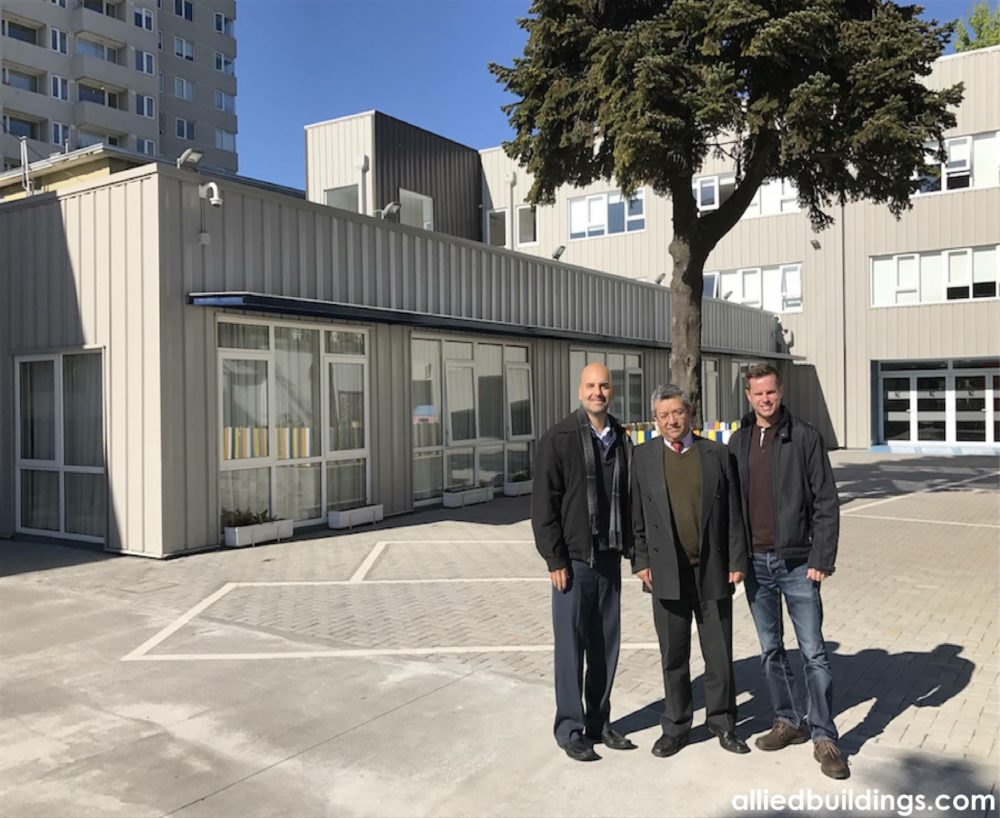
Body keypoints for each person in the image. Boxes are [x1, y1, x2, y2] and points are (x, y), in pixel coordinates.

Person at [729, 363, 849, 780]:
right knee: (771, 649)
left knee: (813, 652)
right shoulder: (739, 440)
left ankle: (824, 736)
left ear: (781, 391)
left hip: (799, 564)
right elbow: (730, 507)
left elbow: (826, 502)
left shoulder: (805, 437)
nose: (765, 399)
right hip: (756, 566)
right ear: (748, 396)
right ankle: (788, 721)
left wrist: (821, 558)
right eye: (758, 394)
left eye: (771, 392)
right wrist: (735, 559)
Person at [631, 384, 750, 758]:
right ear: (655, 420)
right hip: (667, 572)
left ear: (690, 413)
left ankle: (723, 723)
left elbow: (733, 513)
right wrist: (640, 561)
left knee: (718, 655)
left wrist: (736, 561)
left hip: (712, 571)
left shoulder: (715, 453)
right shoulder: (642, 457)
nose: (671, 421)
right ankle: (677, 726)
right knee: (674, 656)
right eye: (664, 415)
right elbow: (635, 514)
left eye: (677, 413)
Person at [531, 362, 636, 762]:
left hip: (608, 560)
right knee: (571, 649)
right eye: (591, 386)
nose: (598, 392)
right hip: (573, 563)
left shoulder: (622, 439)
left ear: (612, 392)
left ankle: (599, 722)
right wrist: (554, 557)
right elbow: (543, 505)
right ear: (580, 391)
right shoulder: (558, 439)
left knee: (605, 647)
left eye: (604, 386)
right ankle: (570, 728)